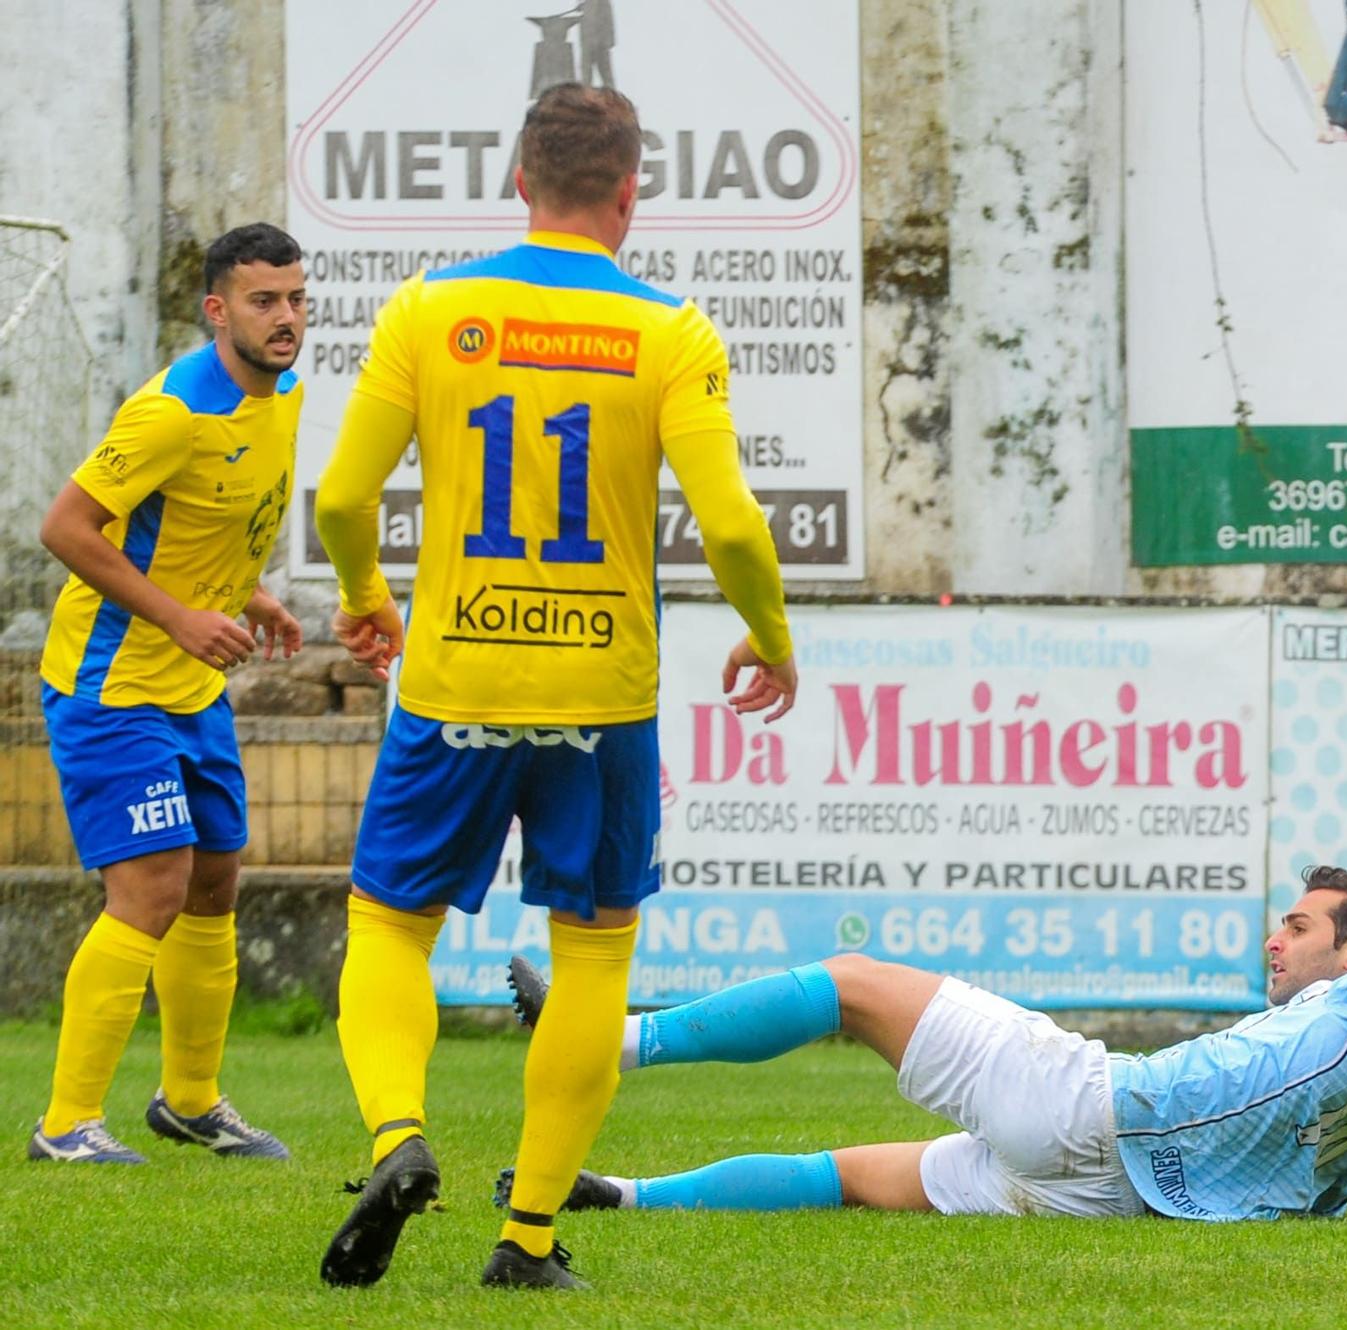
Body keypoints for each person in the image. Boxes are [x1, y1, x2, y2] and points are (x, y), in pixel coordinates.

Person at [313, 82, 796, 1290]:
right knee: (590, 960)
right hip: (602, 692)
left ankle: (395, 1136)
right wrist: (769, 636)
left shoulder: (430, 310)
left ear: (516, 182)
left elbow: (339, 498)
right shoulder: (670, 329)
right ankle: (525, 1238)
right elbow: (732, 524)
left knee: (387, 925)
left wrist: (368, 591)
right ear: (630, 194)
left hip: (454, 675)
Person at [495, 765, 1347, 1223]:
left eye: (1298, 926)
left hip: (1087, 1106)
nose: (1274, 937)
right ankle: (621, 1196)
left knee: (851, 981)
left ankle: (610, 1041)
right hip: (1111, 1201)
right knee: (850, 1177)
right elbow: (1313, 1202)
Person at [29, 224, 305, 1167]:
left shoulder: (285, 395)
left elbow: (200, 520)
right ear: (216, 309)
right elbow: (65, 528)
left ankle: (191, 1101)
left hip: (191, 687)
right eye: (265, 301)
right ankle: (65, 1125)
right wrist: (183, 616)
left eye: (298, 299)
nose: (287, 319)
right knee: (150, 886)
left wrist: (249, 594)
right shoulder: (171, 411)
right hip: (112, 685)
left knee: (216, 879)